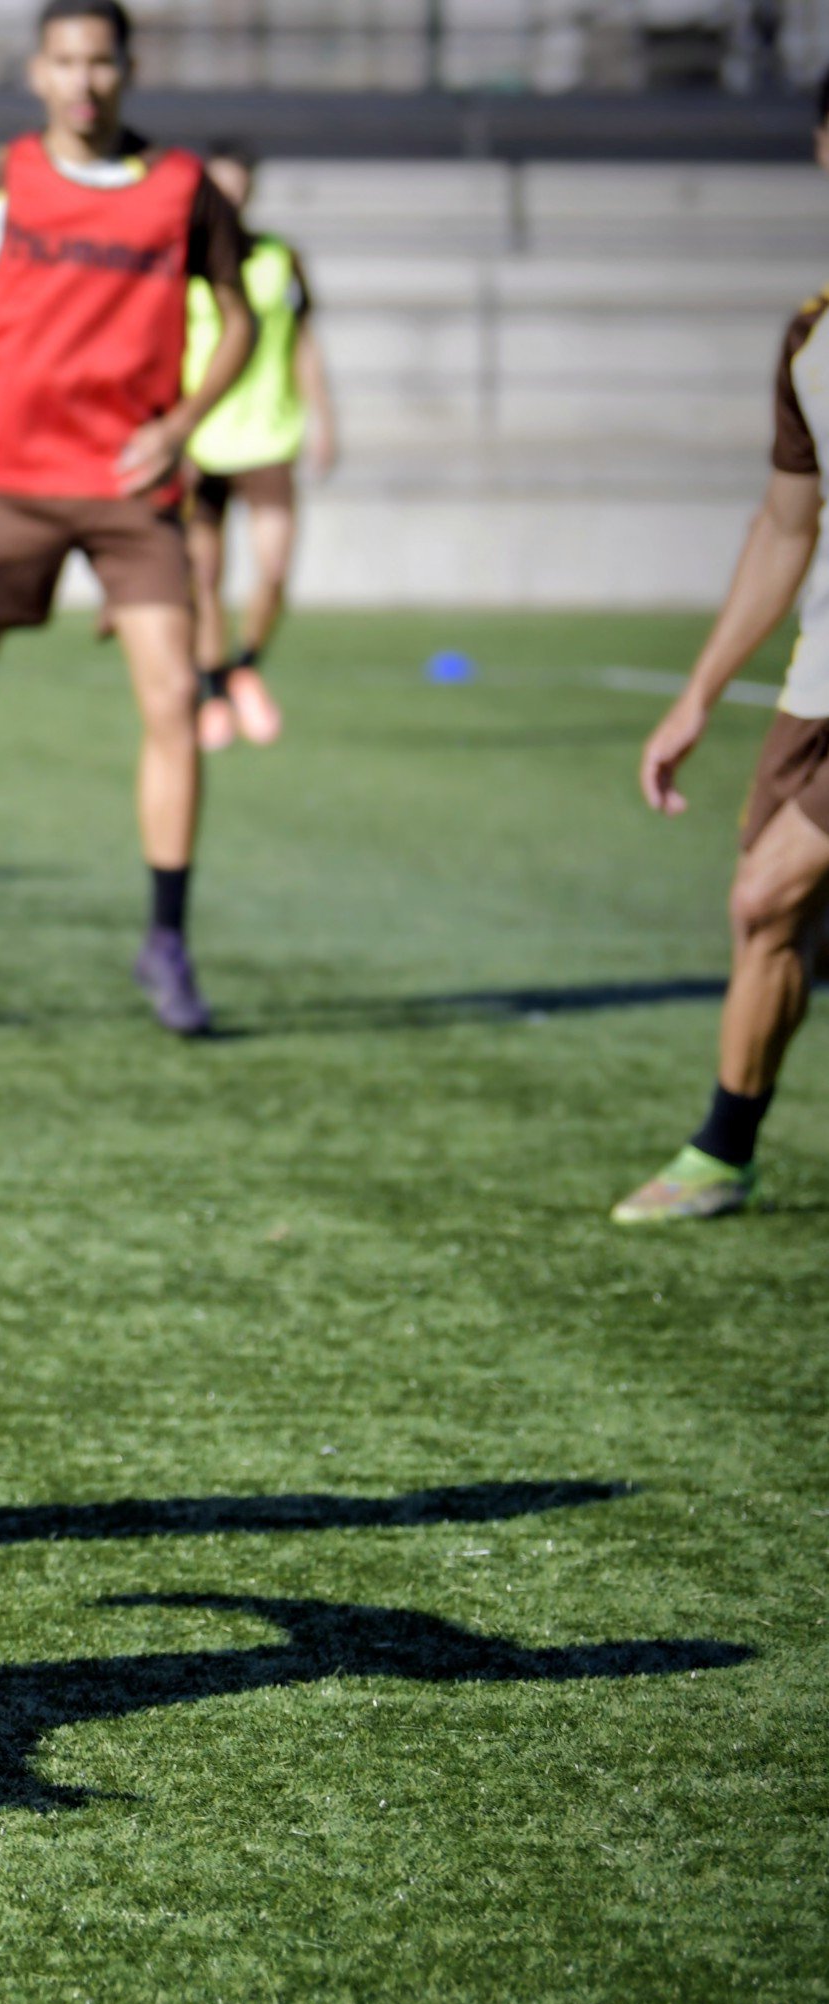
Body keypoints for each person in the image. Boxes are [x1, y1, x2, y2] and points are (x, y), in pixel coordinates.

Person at [0, 0, 253, 1036]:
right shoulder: (1, 179)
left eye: (101, 62)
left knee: (173, 705)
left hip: (132, 495)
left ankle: (167, 940)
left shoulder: (182, 187)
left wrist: (182, 425)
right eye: (65, 62)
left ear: (127, 69)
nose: (84, 81)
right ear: (36, 73)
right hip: (6, 481)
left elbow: (242, 318)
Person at [612, 83, 829, 1224]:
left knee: (772, 886)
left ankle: (718, 1145)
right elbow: (787, 526)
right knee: (766, 914)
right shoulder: (812, 333)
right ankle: (725, 1155)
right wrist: (697, 694)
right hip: (820, 683)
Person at [180, 142, 335, 751]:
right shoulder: (182, 259)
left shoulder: (279, 259)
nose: (230, 197)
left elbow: (304, 343)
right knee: (205, 575)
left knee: (273, 568)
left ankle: (245, 666)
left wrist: (325, 418)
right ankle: (214, 690)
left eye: (238, 185)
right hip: (200, 440)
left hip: (268, 437)